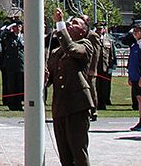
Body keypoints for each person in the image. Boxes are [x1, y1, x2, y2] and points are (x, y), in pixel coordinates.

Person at [47, 10, 96, 166]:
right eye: (70, 22)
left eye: (75, 23)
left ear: (83, 31)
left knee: (78, 151)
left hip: (77, 105)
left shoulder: (86, 45)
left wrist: (60, 24)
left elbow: (72, 49)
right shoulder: (56, 52)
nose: (70, 24)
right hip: (60, 106)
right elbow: (51, 76)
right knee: (64, 153)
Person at [0, 21, 24, 111]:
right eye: (15, 27)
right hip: (11, 65)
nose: (17, 28)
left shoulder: (24, 37)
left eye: (19, 26)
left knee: (20, 86)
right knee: (11, 85)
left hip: (21, 65)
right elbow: (0, 36)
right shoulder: (9, 36)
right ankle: (11, 104)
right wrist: (8, 28)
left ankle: (19, 103)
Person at [95, 25, 115, 110]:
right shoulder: (92, 38)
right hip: (95, 67)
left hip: (105, 67)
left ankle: (103, 103)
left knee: (105, 87)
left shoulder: (109, 40)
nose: (100, 30)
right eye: (98, 29)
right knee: (95, 86)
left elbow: (112, 54)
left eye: (101, 29)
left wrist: (112, 65)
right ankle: (96, 103)